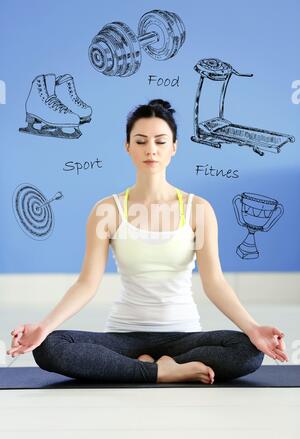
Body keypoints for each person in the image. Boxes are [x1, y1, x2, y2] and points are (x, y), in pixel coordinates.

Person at [7, 99, 288, 385]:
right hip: (124, 337)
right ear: (127, 147)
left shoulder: (198, 209)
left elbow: (214, 282)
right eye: (140, 141)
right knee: (50, 347)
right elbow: (87, 283)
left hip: (185, 337)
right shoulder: (108, 210)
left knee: (248, 352)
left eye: (160, 141)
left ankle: (148, 367)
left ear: (174, 147)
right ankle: (166, 371)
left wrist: (253, 329)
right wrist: (43, 327)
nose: (151, 150)